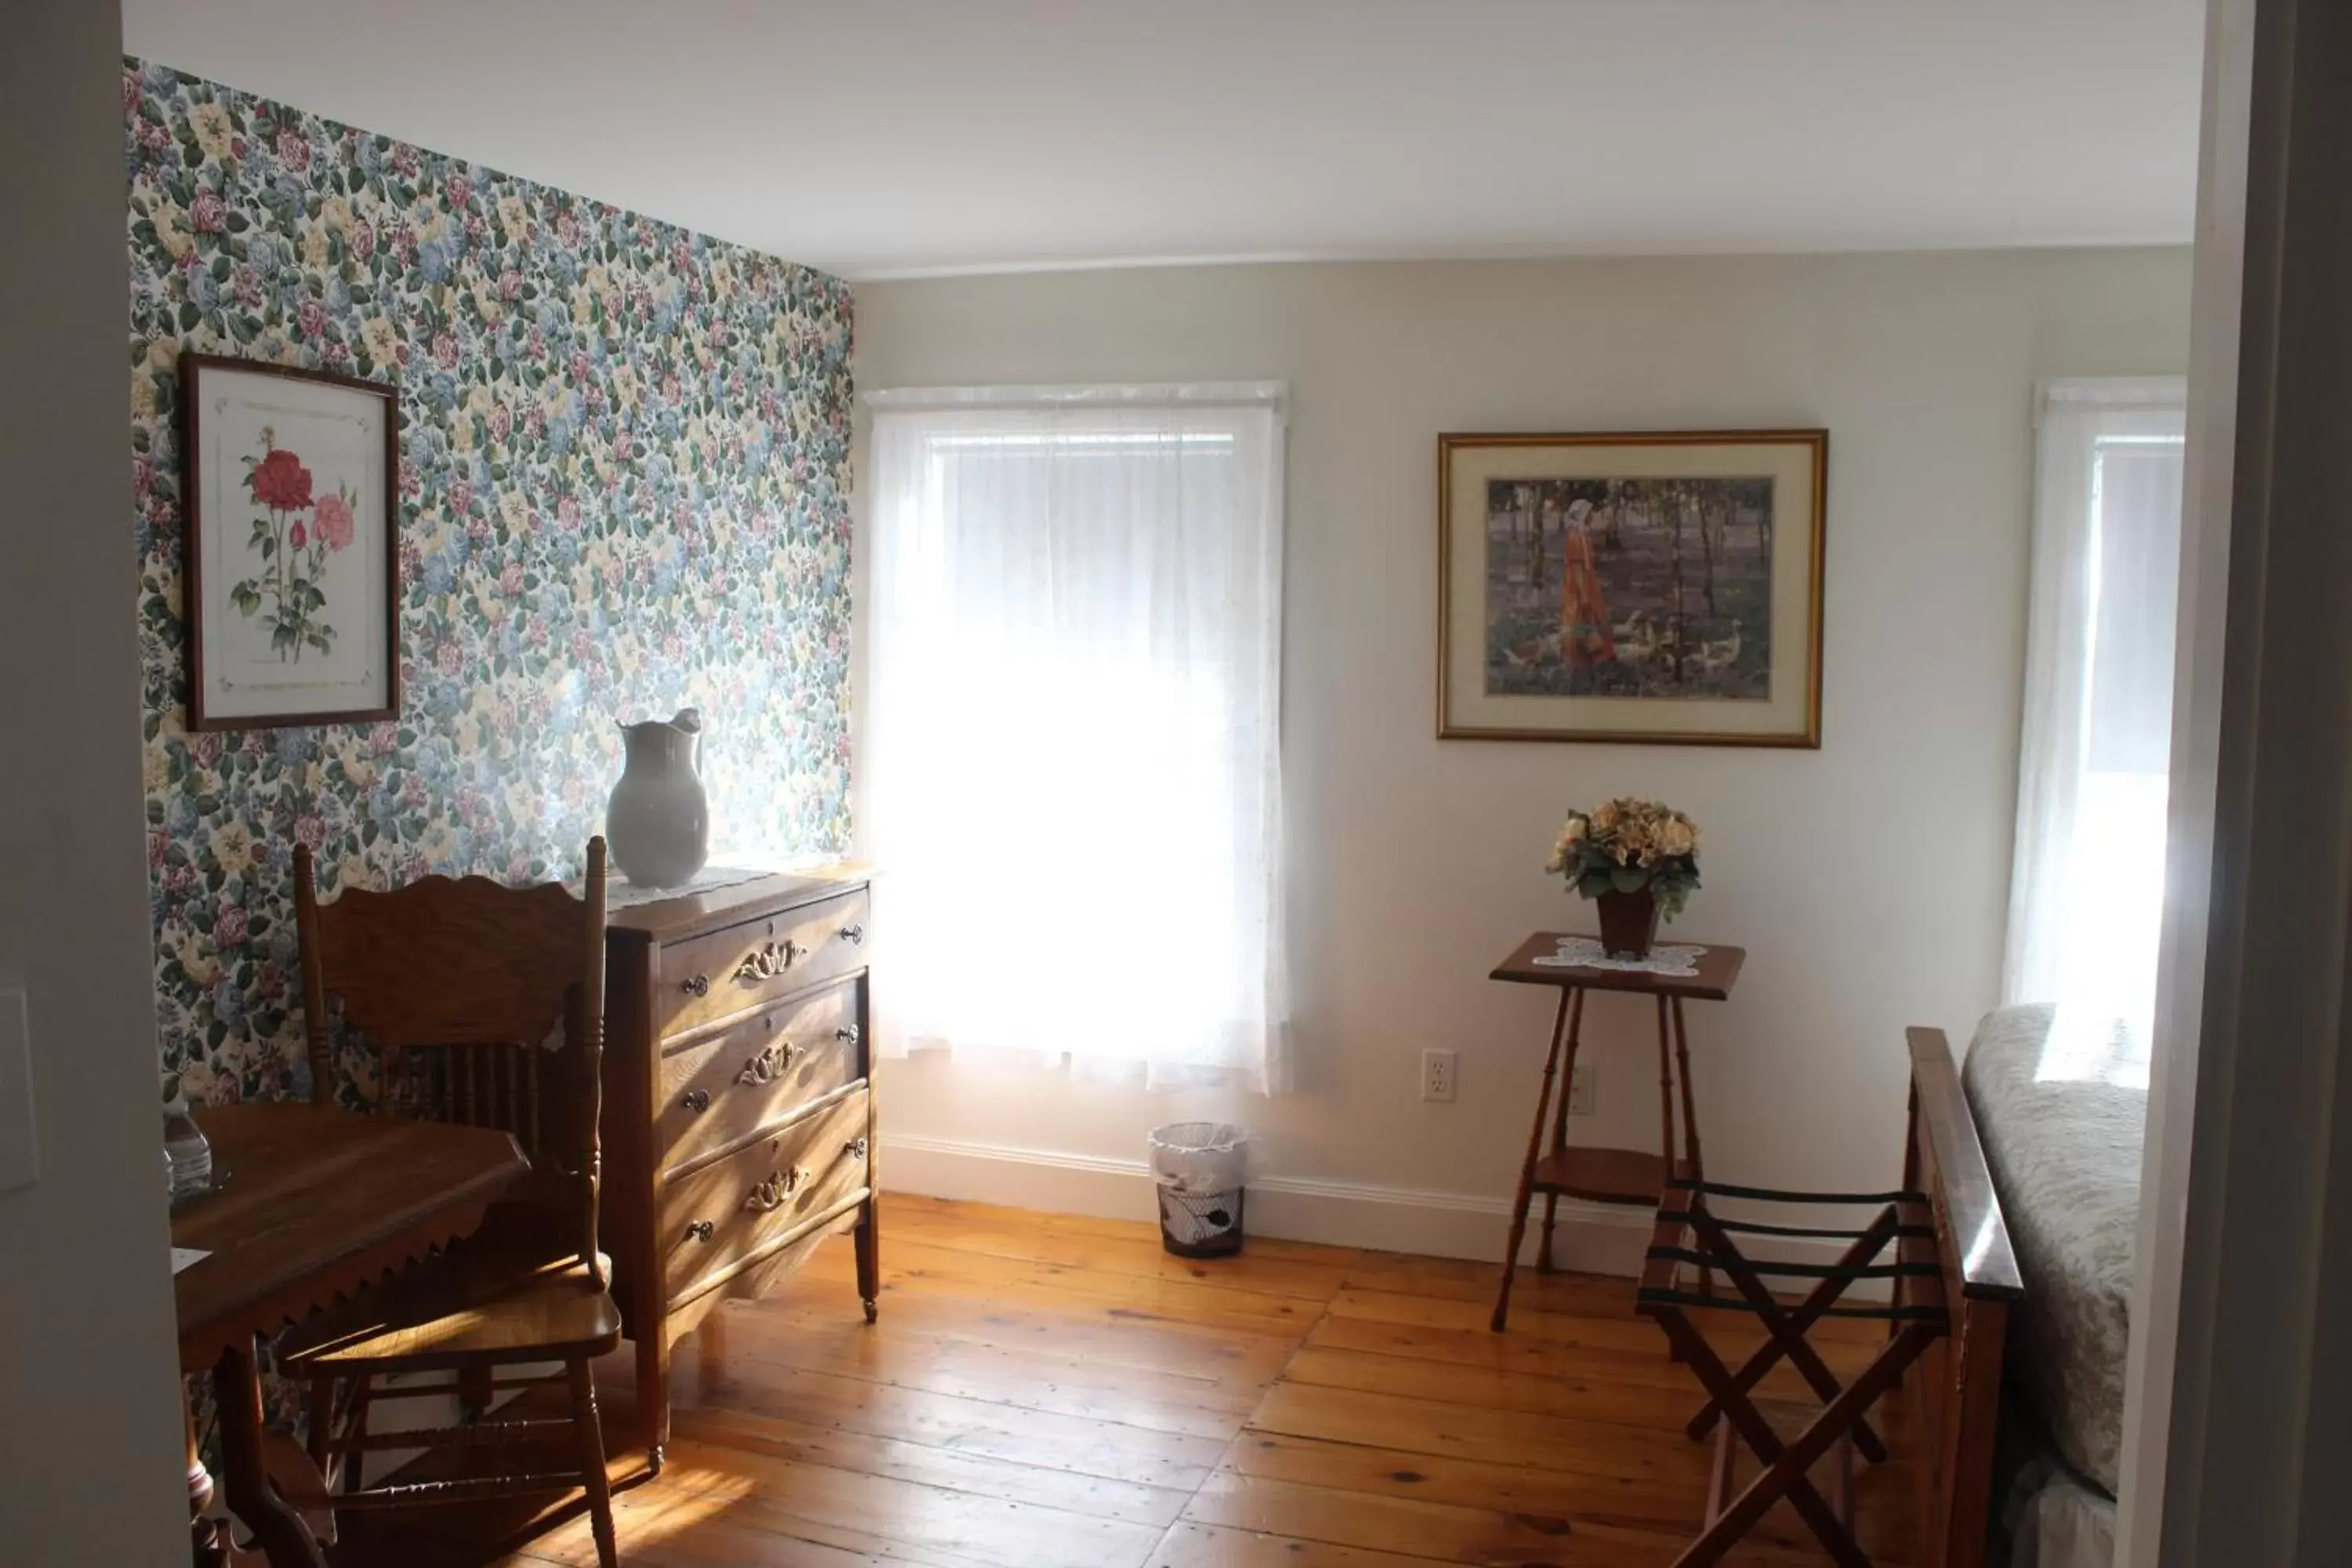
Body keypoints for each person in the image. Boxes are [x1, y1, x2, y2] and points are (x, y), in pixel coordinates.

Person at [1559, 499, 1616, 670]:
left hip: (1588, 584)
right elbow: (1577, 567)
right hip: (1579, 587)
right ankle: (1581, 661)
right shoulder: (1575, 537)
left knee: (1593, 618)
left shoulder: (1583, 535)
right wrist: (1583, 594)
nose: (1591, 517)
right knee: (1580, 619)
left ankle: (1596, 659)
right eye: (1589, 514)